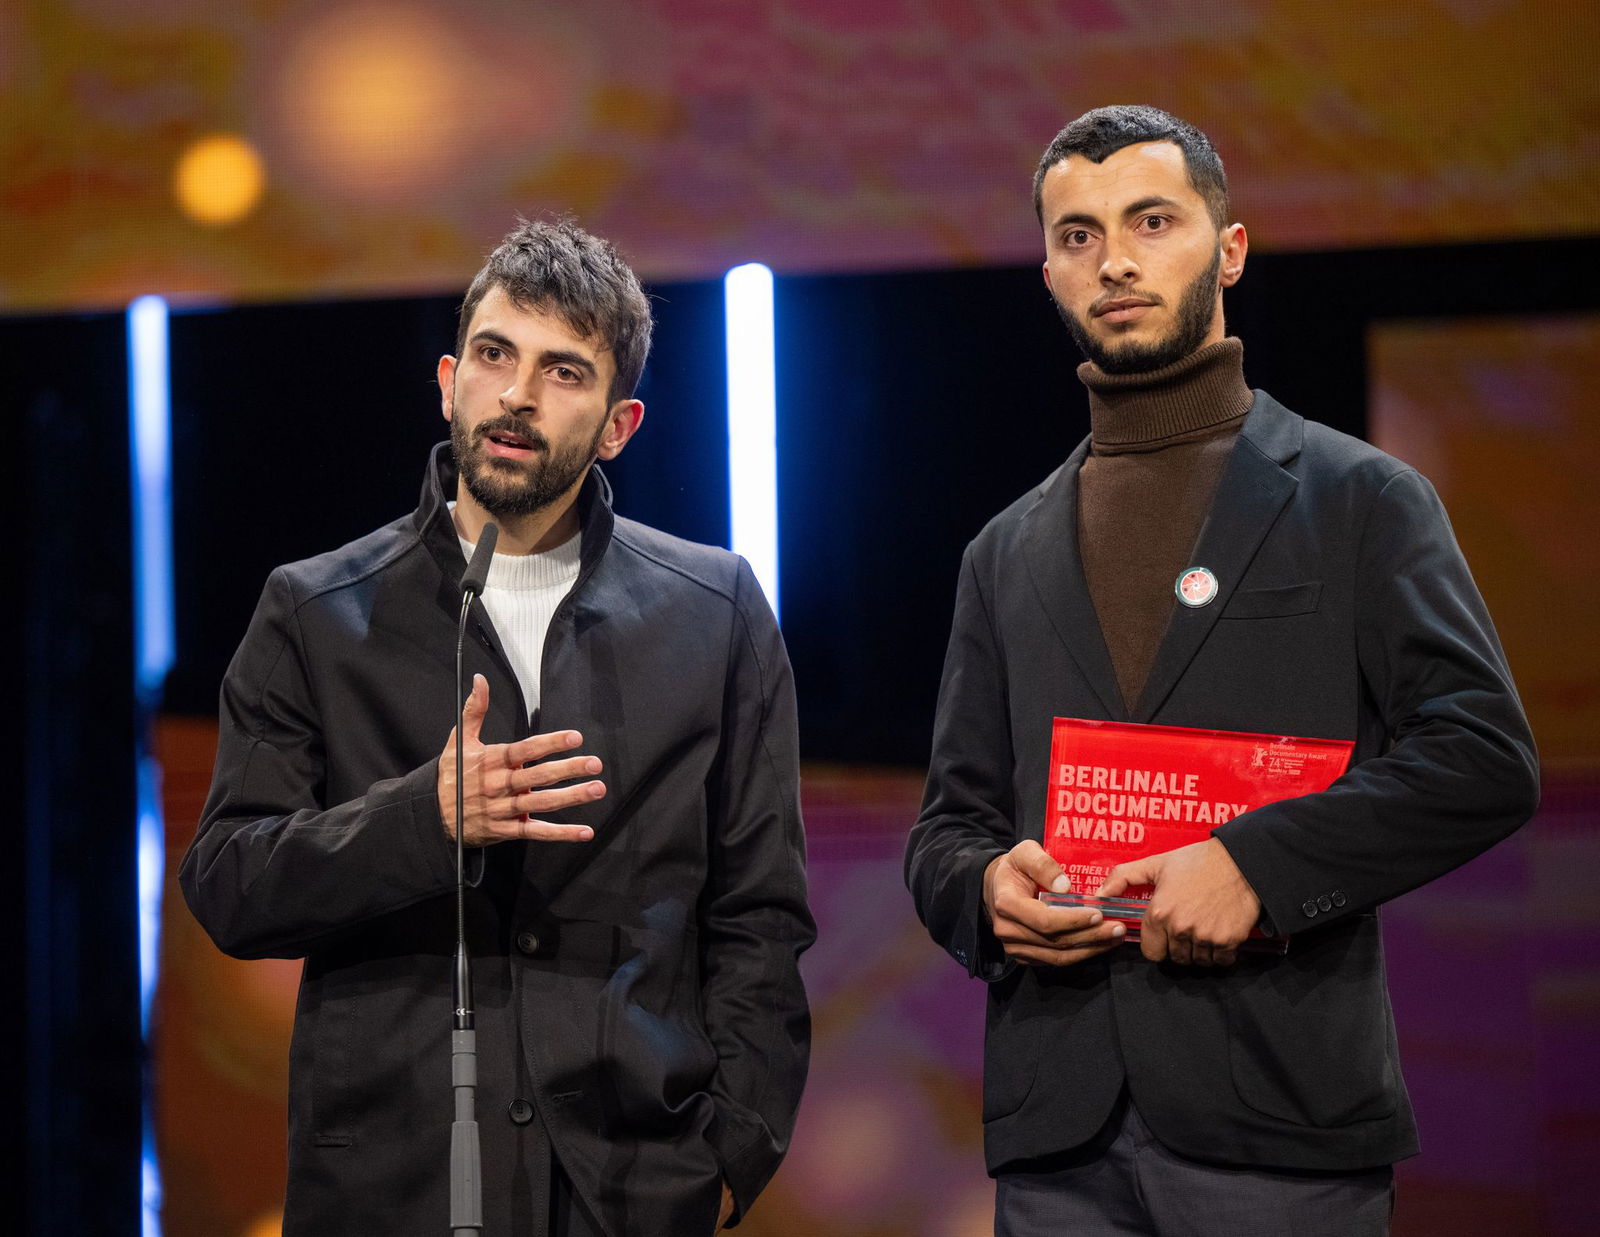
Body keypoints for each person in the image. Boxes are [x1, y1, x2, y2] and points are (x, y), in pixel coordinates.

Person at [904, 106, 1537, 1236]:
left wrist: (1254, 864)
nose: (1118, 260)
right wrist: (985, 892)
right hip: (1058, 1136)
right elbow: (949, 824)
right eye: (1080, 235)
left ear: (1228, 249)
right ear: (1050, 269)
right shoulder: (1002, 551)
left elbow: (1481, 756)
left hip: (1281, 1121)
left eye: (1152, 221)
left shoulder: (1360, 499)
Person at [181, 217, 814, 1236]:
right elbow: (229, 884)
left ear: (619, 424)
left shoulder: (715, 611)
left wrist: (730, 1153)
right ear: (447, 379)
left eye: (564, 371)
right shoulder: (314, 610)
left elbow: (760, 915)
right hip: (392, 1188)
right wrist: (418, 822)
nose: (518, 394)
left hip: (628, 1188)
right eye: (494, 355)